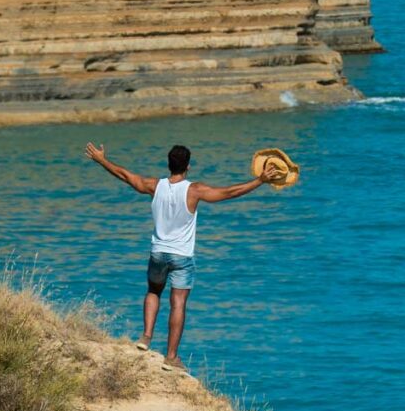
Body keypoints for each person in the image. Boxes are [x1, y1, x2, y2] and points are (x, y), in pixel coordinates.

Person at [84, 142, 281, 372]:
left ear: (169, 165)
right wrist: (260, 181)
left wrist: (102, 160)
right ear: (187, 166)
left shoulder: (154, 186)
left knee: (153, 291)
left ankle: (146, 338)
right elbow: (229, 192)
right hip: (182, 257)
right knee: (178, 303)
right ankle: (171, 357)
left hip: (158, 253)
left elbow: (125, 175)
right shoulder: (194, 190)